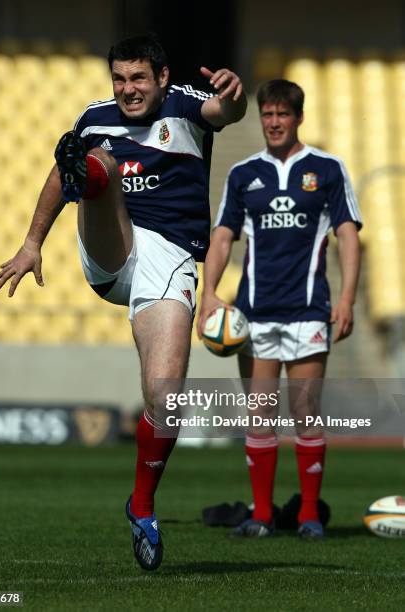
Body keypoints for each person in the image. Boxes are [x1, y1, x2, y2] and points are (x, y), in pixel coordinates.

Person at [0, 34, 246, 569]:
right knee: (91, 160)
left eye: (137, 78)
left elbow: (224, 109)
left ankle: (142, 504)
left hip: (170, 258)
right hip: (112, 244)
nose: (128, 89)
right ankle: (93, 175)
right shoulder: (96, 116)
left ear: (160, 77)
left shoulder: (184, 106)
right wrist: (32, 243)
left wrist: (234, 95)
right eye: (119, 78)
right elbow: (57, 174)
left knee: (166, 398)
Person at [198, 79, 361, 539]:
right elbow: (223, 238)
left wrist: (347, 297)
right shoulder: (243, 174)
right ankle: (263, 515)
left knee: (306, 414)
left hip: (309, 310)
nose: (273, 122)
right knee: (261, 416)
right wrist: (209, 293)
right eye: (267, 115)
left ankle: (309, 515)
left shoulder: (327, 169)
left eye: (282, 115)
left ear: (298, 118)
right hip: (254, 314)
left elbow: (348, 235)